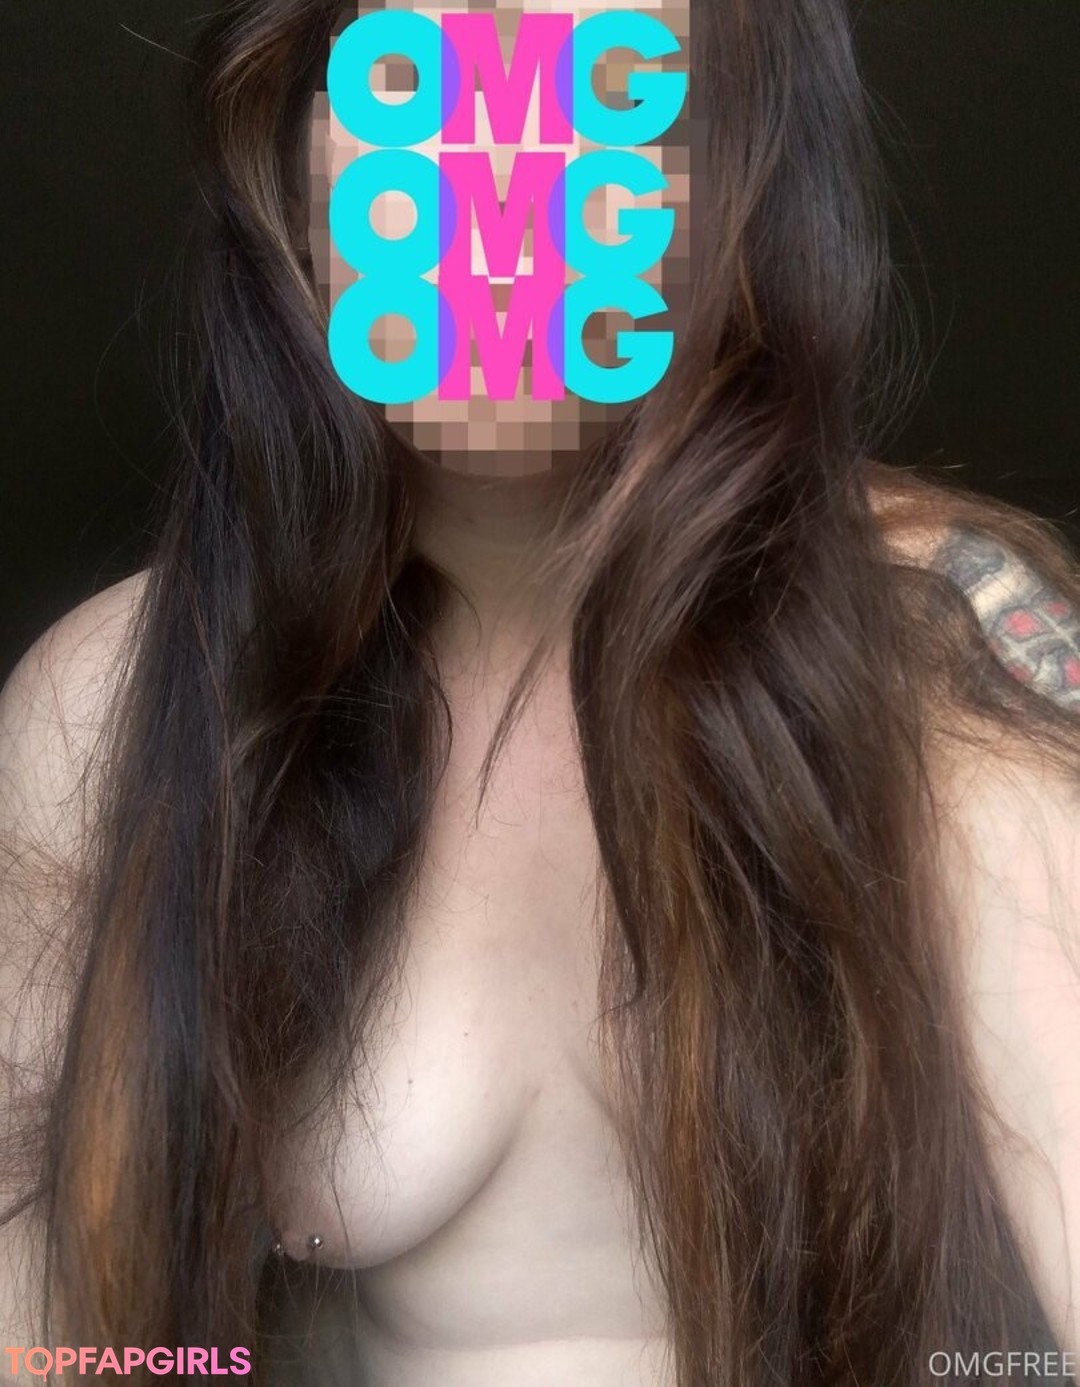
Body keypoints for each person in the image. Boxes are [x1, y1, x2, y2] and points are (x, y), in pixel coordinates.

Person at [2, 1, 1079, 1384]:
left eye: (610, 94)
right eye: (415, 85)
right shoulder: (113, 704)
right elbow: (61, 1345)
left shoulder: (949, 648)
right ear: (291, 151)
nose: (501, 188)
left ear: (740, 189)